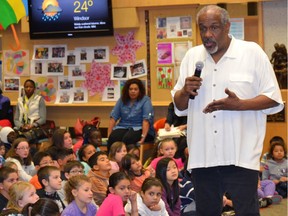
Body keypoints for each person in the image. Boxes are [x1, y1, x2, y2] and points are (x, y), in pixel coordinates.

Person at [171, 5, 284, 216]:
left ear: (227, 26)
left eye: (214, 27)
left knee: (247, 212)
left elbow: (273, 98)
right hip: (203, 156)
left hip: (241, 154)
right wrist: (185, 91)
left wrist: (240, 105)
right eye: (202, 28)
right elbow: (179, 106)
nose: (207, 34)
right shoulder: (192, 56)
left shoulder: (251, 53)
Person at [107, 78, 155, 152]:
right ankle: (112, 160)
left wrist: (143, 138)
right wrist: (109, 135)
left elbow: (146, 121)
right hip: (123, 126)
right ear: (127, 90)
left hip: (140, 128)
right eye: (131, 89)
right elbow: (113, 117)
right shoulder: (122, 99)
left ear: (140, 90)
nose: (133, 91)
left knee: (128, 138)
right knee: (114, 138)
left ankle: (127, 161)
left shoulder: (145, 100)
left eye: (136, 89)